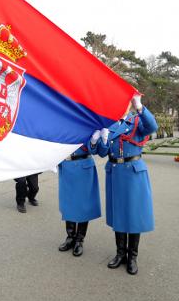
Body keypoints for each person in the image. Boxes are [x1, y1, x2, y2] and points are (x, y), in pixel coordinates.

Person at [97, 94, 157, 275]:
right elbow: (102, 152)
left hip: (133, 172)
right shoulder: (109, 124)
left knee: (134, 214)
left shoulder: (137, 120)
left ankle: (132, 256)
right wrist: (103, 140)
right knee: (119, 214)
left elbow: (153, 127)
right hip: (115, 172)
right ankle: (120, 253)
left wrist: (140, 107)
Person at [56, 131, 101, 257]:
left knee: (83, 205)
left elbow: (95, 150)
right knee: (68, 203)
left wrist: (93, 141)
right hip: (67, 166)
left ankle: (79, 240)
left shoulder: (86, 120)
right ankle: (70, 237)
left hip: (83, 166)